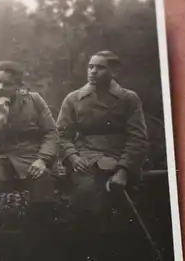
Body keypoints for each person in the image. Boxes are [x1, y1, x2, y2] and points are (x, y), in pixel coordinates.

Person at [56, 50, 149, 260]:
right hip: (85, 158)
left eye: (100, 67)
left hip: (120, 158)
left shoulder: (128, 98)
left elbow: (138, 138)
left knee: (124, 213)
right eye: (90, 67)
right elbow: (61, 136)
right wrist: (72, 156)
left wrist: (124, 171)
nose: (93, 71)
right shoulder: (74, 99)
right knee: (86, 201)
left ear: (114, 71)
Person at [0, 61, 59, 261]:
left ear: (18, 86)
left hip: (31, 157)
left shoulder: (34, 101)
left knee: (43, 192)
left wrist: (43, 159)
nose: (1, 87)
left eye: (8, 84)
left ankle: (34, 249)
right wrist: (2, 118)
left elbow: (51, 133)